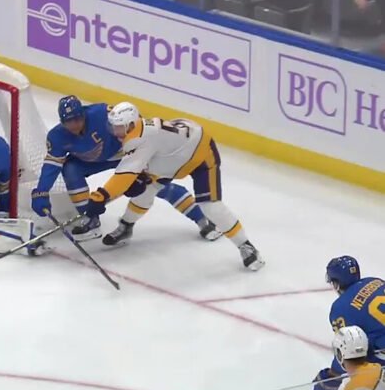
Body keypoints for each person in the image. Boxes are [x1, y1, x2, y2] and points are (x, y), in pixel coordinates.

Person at [81, 102, 264, 270]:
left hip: (199, 154)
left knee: (210, 206)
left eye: (118, 127)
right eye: (112, 126)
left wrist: (101, 196)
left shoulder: (139, 139)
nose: (114, 131)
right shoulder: (138, 131)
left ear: (130, 124)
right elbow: (134, 167)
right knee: (145, 192)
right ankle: (126, 226)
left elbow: (124, 174)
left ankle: (246, 246)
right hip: (172, 159)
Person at [31, 95, 221, 242]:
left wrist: (143, 153)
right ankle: (90, 220)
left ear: (83, 113)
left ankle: (201, 218)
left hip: (127, 155)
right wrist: (41, 190)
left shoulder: (102, 114)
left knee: (156, 186)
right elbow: (52, 164)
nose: (73, 125)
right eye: (68, 121)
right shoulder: (57, 136)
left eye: (77, 119)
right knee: (70, 169)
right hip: (91, 162)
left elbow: (136, 126)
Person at [314, 256, 385, 390]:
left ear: (336, 283)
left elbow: (350, 347)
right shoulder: (375, 281)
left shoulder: (340, 308)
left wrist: (333, 376)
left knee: (363, 365)